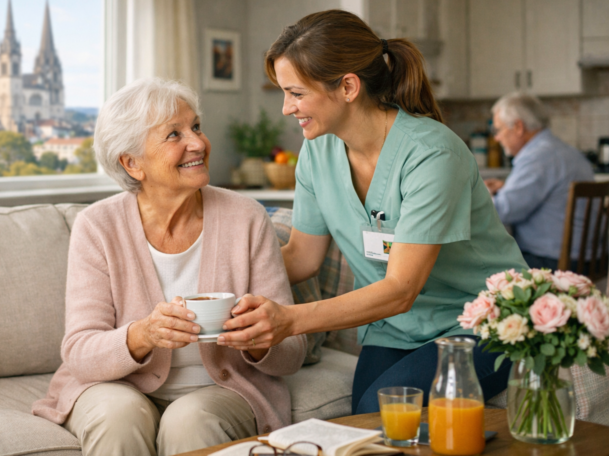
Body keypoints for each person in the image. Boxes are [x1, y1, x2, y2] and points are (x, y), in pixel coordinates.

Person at [216, 9, 528, 415]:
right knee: (366, 417)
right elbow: (302, 257)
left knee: (383, 412)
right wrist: (217, 282)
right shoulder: (317, 150)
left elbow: (401, 289)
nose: (286, 108)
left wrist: (289, 320)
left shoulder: (432, 154)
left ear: (348, 86)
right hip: (395, 329)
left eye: (296, 93)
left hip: (483, 321)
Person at [31, 78, 306, 456]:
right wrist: (143, 334)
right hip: (116, 386)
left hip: (220, 389)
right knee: (118, 416)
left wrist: (259, 341)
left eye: (196, 126)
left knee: (190, 420)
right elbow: (80, 352)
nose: (198, 143)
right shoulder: (97, 226)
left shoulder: (246, 217)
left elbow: (292, 351)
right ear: (132, 163)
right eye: (174, 134)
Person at [484, 92, 594, 271]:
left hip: (553, 262)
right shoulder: (564, 151)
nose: (496, 138)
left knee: (482, 265)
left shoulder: (536, 157)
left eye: (498, 130)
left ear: (518, 127)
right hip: (587, 259)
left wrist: (478, 194)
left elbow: (503, 211)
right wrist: (507, 188)